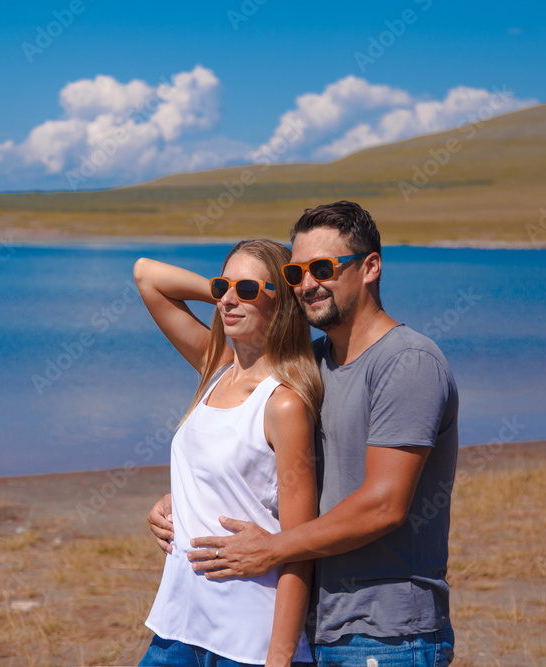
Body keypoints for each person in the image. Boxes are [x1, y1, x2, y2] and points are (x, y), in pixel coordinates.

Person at [149, 202, 459, 666]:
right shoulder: (305, 366)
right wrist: (191, 497)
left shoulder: (407, 362)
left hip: (386, 632)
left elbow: (384, 505)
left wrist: (271, 549)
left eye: (323, 268)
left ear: (370, 267)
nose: (309, 284)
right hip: (318, 622)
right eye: (296, 274)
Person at [133, 239, 322, 667]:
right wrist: (173, 502)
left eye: (250, 290)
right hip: (178, 628)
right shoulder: (217, 368)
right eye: (224, 287)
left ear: (284, 302)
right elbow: (146, 273)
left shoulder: (283, 403)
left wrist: (280, 657)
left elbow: (298, 544)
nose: (229, 300)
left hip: (247, 642)